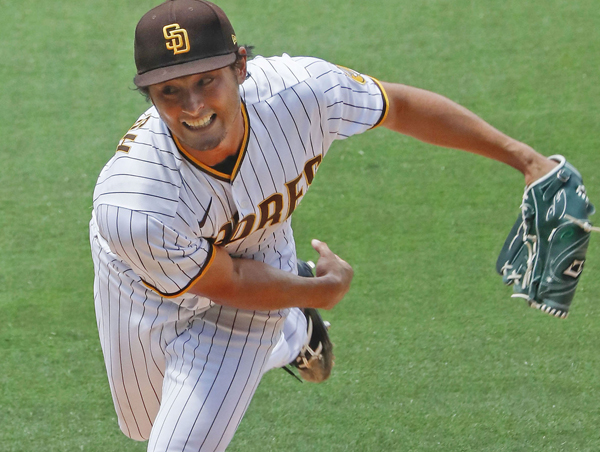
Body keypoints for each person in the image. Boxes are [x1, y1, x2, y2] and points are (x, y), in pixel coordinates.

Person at [89, 0, 557, 450]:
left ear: (240, 66)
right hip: (140, 280)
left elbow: (399, 107)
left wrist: (527, 160)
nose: (192, 105)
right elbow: (227, 280)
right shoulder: (134, 205)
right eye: (169, 90)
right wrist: (317, 292)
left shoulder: (303, 93)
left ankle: (278, 316)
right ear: (150, 95)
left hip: (258, 260)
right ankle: (291, 329)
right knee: (143, 423)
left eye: (206, 80)